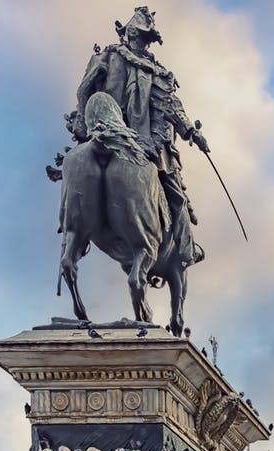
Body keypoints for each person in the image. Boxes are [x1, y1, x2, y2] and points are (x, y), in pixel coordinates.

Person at [68, 6, 209, 268]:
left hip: (105, 131)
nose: (142, 42)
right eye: (144, 38)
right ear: (144, 38)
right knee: (176, 195)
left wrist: (83, 125)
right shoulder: (156, 71)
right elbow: (172, 107)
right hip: (145, 142)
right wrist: (193, 133)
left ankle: (72, 238)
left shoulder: (107, 57)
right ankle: (187, 251)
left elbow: (86, 90)